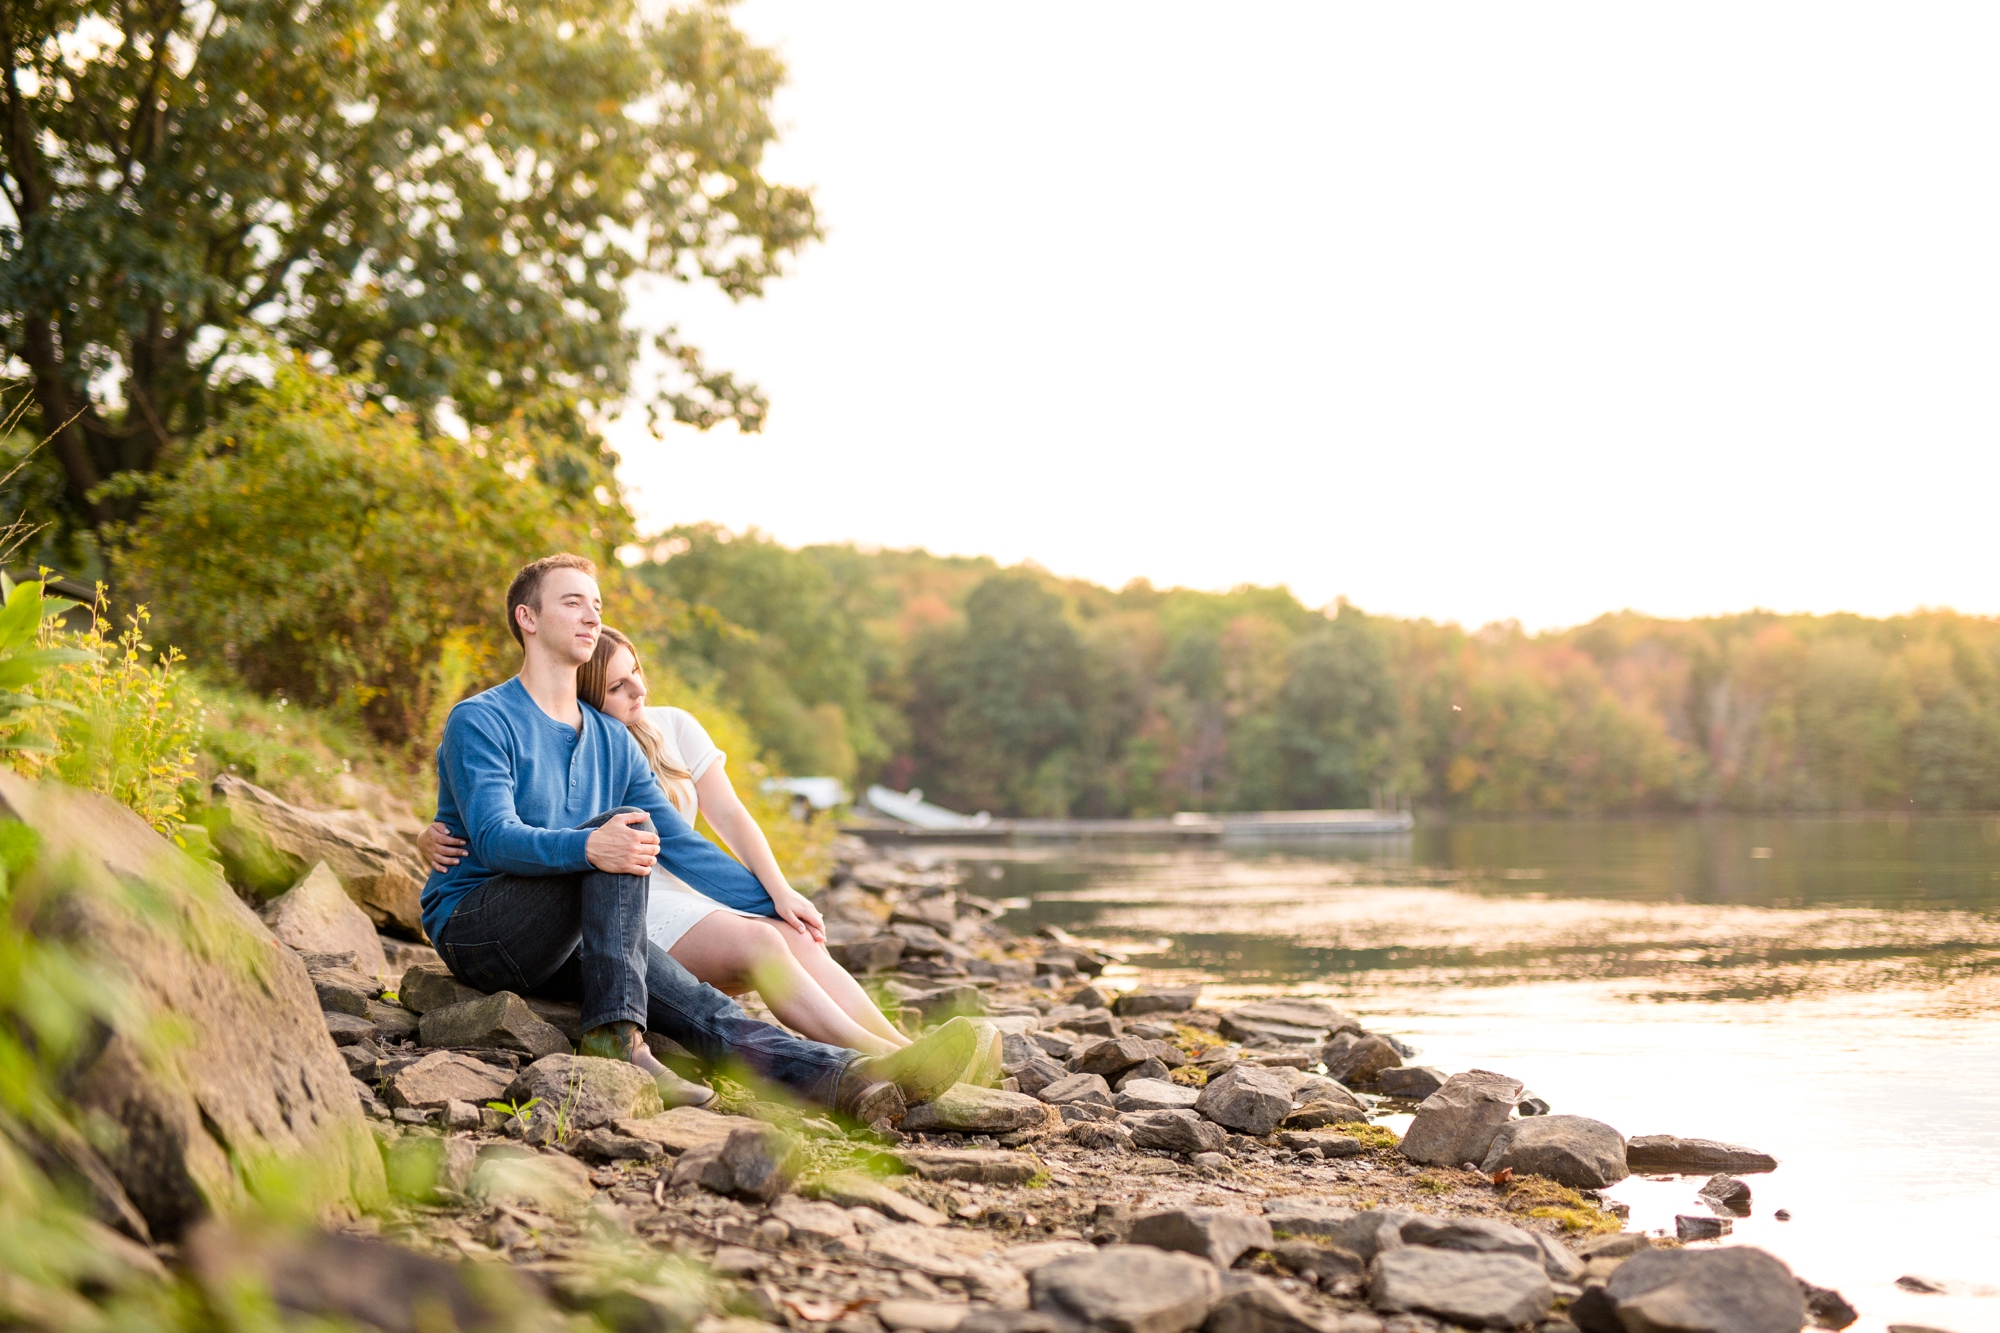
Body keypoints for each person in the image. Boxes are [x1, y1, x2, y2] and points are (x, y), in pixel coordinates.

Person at [420, 552, 981, 1125]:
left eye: (597, 605)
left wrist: (776, 903)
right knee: (618, 834)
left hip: (569, 938)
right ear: (528, 619)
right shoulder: (481, 719)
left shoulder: (614, 739)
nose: (591, 616)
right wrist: (590, 848)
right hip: (479, 928)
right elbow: (492, 838)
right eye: (572, 602)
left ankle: (851, 1078)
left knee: (704, 1007)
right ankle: (619, 1042)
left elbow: (684, 847)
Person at [422, 627, 912, 1058]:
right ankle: (868, 1056)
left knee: (789, 935)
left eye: (636, 671)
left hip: (648, 893)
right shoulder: (558, 735)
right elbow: (511, 818)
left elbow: (694, 837)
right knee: (760, 940)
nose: (639, 690)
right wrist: (438, 833)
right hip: (613, 898)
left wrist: (777, 897)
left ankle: (897, 1053)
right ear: (588, 698)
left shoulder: (656, 730)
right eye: (617, 685)